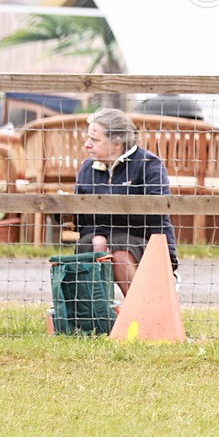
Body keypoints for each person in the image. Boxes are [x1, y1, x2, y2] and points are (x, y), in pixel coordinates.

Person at [74, 108, 179, 296]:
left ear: (117, 142)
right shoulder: (87, 168)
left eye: (95, 140)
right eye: (89, 138)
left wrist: (106, 213)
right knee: (96, 244)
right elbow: (83, 220)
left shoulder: (149, 164)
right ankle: (98, 314)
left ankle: (141, 310)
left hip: (143, 236)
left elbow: (155, 216)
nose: (87, 145)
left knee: (119, 253)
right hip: (100, 235)